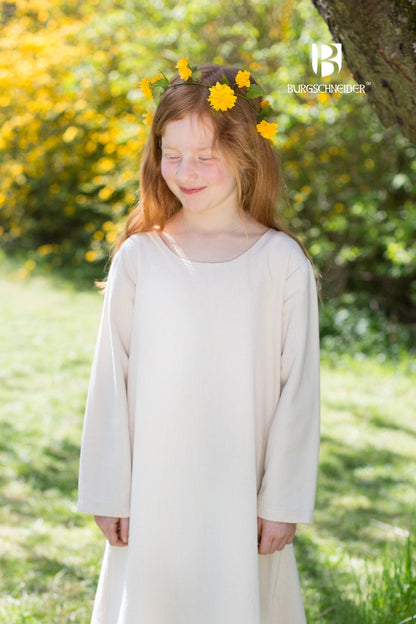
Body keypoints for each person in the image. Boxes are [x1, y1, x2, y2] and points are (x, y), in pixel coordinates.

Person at [77, 60, 320, 624]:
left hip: (241, 492)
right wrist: (108, 491)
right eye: (172, 155)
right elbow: (111, 379)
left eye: (206, 156)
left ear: (245, 155)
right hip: (153, 490)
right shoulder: (140, 257)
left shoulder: (281, 262)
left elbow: (298, 392)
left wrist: (282, 501)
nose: (186, 173)